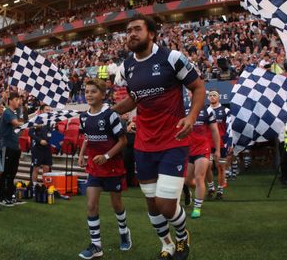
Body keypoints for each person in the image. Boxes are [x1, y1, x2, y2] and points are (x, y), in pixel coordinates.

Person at [112, 14, 206, 260]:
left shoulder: (171, 58)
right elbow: (134, 98)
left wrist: (192, 117)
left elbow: (198, 87)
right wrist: (110, 112)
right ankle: (167, 244)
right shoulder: (127, 67)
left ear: (151, 33)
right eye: (128, 30)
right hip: (144, 143)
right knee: (152, 203)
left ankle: (183, 236)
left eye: (136, 29)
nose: (131, 34)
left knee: (166, 204)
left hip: (173, 141)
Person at [77, 78, 132, 259]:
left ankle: (124, 232)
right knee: (91, 204)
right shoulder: (84, 117)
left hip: (113, 167)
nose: (89, 95)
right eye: (87, 92)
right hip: (94, 167)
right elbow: (86, 137)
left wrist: (107, 156)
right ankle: (96, 246)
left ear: (102, 94)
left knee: (116, 204)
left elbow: (123, 141)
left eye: (93, 91)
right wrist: (82, 154)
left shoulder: (111, 115)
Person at [184, 96, 220, 219]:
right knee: (187, 180)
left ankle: (197, 207)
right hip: (188, 149)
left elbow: (215, 131)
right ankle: (196, 191)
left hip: (202, 148)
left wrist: (217, 150)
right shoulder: (184, 109)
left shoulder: (208, 110)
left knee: (199, 177)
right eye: (190, 92)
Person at [0, 91, 22, 205]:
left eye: (19, 100)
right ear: (11, 101)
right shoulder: (8, 112)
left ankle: (9, 195)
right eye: (16, 100)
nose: (18, 102)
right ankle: (2, 196)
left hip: (14, 146)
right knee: (5, 172)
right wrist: (31, 122)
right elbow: (16, 123)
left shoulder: (14, 112)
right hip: (7, 146)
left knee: (12, 173)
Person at [205, 90, 230, 200]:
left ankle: (220, 191)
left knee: (221, 168)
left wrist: (230, 142)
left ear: (219, 97)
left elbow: (229, 128)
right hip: (207, 143)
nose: (212, 97)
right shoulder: (205, 110)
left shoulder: (226, 110)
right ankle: (211, 188)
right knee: (207, 166)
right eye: (210, 95)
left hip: (221, 143)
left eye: (214, 95)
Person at [29, 104, 53, 187]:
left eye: (49, 110)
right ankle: (34, 187)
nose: (48, 111)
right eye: (47, 110)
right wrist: (40, 140)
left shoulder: (51, 121)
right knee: (36, 168)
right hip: (37, 148)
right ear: (42, 111)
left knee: (46, 168)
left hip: (47, 148)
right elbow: (30, 133)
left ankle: (45, 187)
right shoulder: (35, 120)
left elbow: (52, 133)